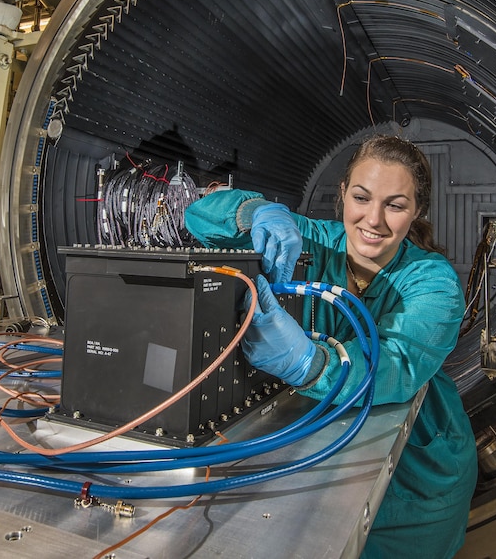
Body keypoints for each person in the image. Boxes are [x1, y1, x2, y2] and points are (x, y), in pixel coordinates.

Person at [184, 134, 477, 558]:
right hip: (327, 454)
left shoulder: (434, 282)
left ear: (416, 212)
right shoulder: (314, 238)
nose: (373, 220)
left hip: (415, 483)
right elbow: (198, 215)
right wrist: (255, 211)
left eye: (395, 205)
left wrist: (309, 365)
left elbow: (394, 365)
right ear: (342, 195)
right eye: (361, 197)